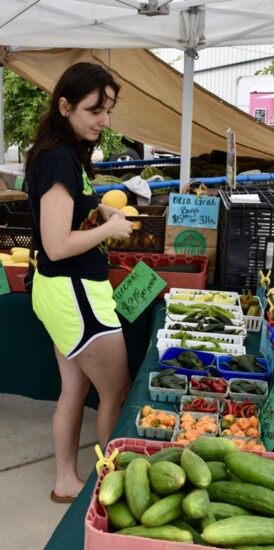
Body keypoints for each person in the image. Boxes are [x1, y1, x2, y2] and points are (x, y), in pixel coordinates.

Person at [26, 62, 134, 503]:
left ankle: (67, 481)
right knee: (117, 390)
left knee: (76, 386)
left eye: (108, 110)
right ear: (65, 105)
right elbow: (55, 244)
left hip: (62, 291)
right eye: (95, 110)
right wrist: (109, 230)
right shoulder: (57, 157)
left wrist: (102, 212)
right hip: (74, 291)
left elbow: (72, 213)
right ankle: (111, 488)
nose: (103, 121)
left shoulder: (63, 150)